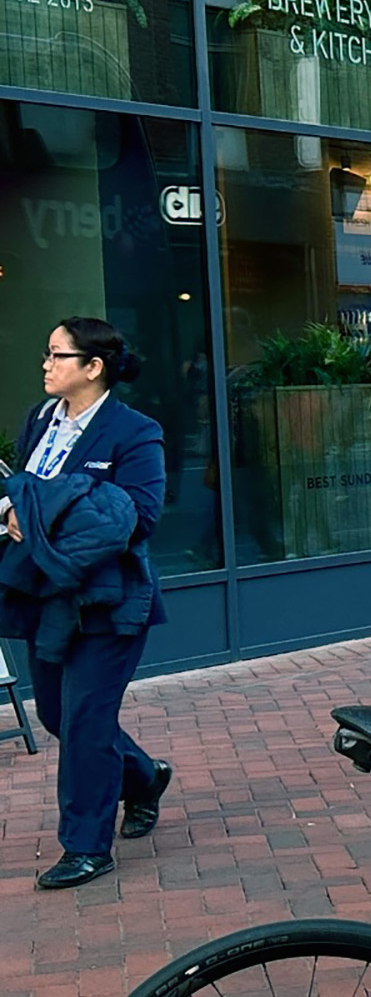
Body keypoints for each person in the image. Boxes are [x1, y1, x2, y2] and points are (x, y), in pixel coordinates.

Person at [0, 318, 172, 890]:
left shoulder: (135, 431)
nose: (45, 365)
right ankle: (144, 778)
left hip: (111, 600)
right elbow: (20, 493)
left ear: (92, 367)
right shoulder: (39, 421)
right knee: (56, 715)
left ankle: (86, 846)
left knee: (84, 723)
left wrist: (47, 512)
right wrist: (11, 512)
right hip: (50, 596)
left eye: (56, 354)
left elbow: (140, 516)